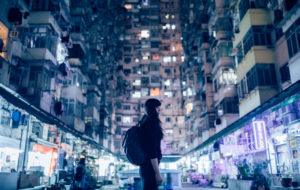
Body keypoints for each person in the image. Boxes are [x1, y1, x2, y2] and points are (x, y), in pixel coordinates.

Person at [140, 98, 164, 190]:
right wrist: (157, 173)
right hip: (150, 168)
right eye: (158, 107)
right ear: (152, 108)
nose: (159, 109)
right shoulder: (151, 124)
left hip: (146, 167)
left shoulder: (145, 122)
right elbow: (152, 152)